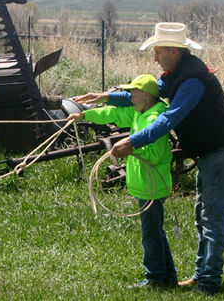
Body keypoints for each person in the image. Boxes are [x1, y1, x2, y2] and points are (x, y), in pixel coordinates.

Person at [73, 22, 224, 295]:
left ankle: (210, 284)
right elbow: (153, 92)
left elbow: (168, 119)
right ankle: (202, 276)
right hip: (210, 152)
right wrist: (106, 97)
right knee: (203, 216)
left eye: (159, 51)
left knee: (211, 219)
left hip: (220, 153)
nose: (155, 57)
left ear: (174, 52)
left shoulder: (192, 82)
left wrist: (132, 140)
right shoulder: (179, 73)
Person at [67, 74, 178, 289]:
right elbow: (113, 114)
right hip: (146, 185)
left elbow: (154, 156)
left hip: (151, 187)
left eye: (133, 94)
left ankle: (155, 279)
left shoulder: (156, 118)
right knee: (156, 232)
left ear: (146, 95)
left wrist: (131, 148)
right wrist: (85, 115)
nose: (130, 98)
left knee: (150, 234)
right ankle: (168, 278)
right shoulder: (140, 112)